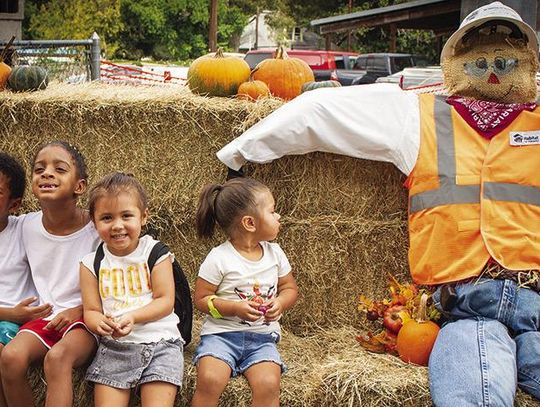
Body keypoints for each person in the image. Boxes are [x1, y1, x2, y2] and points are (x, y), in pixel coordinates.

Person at [216, 2, 540, 405]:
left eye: (506, 61)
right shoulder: (418, 116)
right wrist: (240, 153)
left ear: (526, 62)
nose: (493, 70)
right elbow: (322, 112)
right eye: (480, 62)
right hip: (464, 305)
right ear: (458, 63)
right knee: (470, 387)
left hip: (532, 296)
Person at [0, 141, 100, 407]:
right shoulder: (26, 226)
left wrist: (78, 312)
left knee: (57, 359)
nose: (46, 173)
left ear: (79, 186)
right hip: (45, 319)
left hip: (85, 321)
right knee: (10, 357)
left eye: (59, 168)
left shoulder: (97, 230)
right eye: (39, 169)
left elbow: (114, 287)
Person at [191, 177, 298, 407]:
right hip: (220, 337)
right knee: (209, 379)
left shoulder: (275, 254)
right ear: (250, 223)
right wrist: (234, 308)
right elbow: (200, 299)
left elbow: (289, 288)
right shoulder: (219, 258)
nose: (278, 216)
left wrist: (280, 302)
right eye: (272, 211)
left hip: (262, 339)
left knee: (269, 383)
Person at [80, 171, 183, 407]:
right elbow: (92, 311)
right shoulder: (89, 264)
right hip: (115, 348)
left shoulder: (156, 253)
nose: (118, 225)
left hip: (161, 343)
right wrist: (100, 324)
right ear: (94, 222)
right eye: (106, 218)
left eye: (127, 215)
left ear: (143, 216)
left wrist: (132, 317)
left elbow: (165, 301)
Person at [0, 152, 53, 407]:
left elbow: (63, 219)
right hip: (12, 315)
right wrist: (11, 313)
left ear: (14, 204)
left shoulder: (24, 228)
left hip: (19, 326)